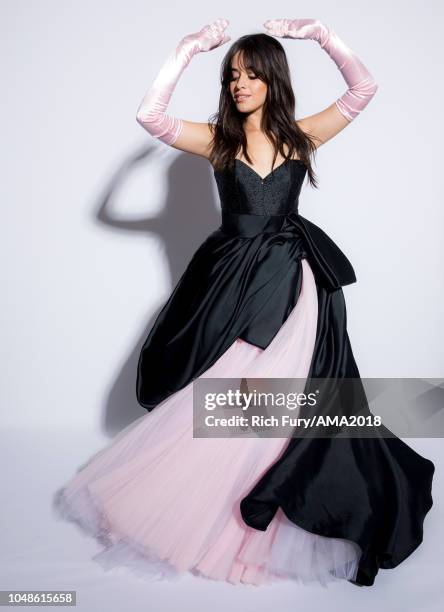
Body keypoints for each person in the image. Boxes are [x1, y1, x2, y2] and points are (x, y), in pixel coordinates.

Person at [55, 18, 435, 588]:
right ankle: (208, 511)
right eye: (233, 75)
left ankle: (270, 516)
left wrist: (323, 36)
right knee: (230, 387)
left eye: (252, 75)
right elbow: (150, 118)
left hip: (293, 280)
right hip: (231, 278)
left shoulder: (302, 137)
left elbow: (364, 90)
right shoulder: (218, 141)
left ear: (272, 80)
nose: (240, 84)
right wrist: (184, 53)